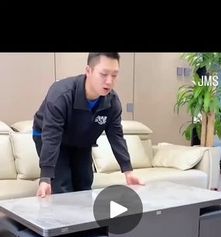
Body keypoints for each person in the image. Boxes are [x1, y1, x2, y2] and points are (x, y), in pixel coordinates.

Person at [33, 52, 144, 198]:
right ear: (88, 71)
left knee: (84, 182)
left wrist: (128, 171)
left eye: (114, 75)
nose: (109, 81)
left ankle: (84, 220)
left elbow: (116, 136)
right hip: (50, 137)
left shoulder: (112, 103)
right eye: (104, 74)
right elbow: (51, 136)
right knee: (62, 185)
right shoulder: (62, 94)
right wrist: (46, 177)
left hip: (81, 140)